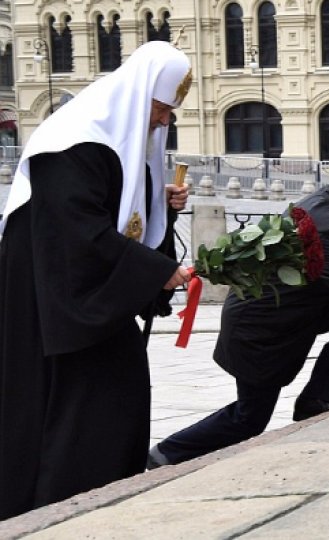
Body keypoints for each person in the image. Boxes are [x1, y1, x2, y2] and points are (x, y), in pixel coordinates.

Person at [147, 154, 329, 468]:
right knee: (248, 419)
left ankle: (317, 403)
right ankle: (164, 455)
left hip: (287, 315)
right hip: (259, 329)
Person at [0, 41, 192, 520]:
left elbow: (117, 217)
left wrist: (157, 207)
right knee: (73, 403)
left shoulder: (114, 139)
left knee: (115, 389)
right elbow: (77, 233)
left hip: (82, 299)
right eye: (163, 109)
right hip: (48, 304)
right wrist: (155, 271)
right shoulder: (72, 139)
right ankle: (52, 503)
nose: (165, 121)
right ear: (140, 94)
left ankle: (99, 494)